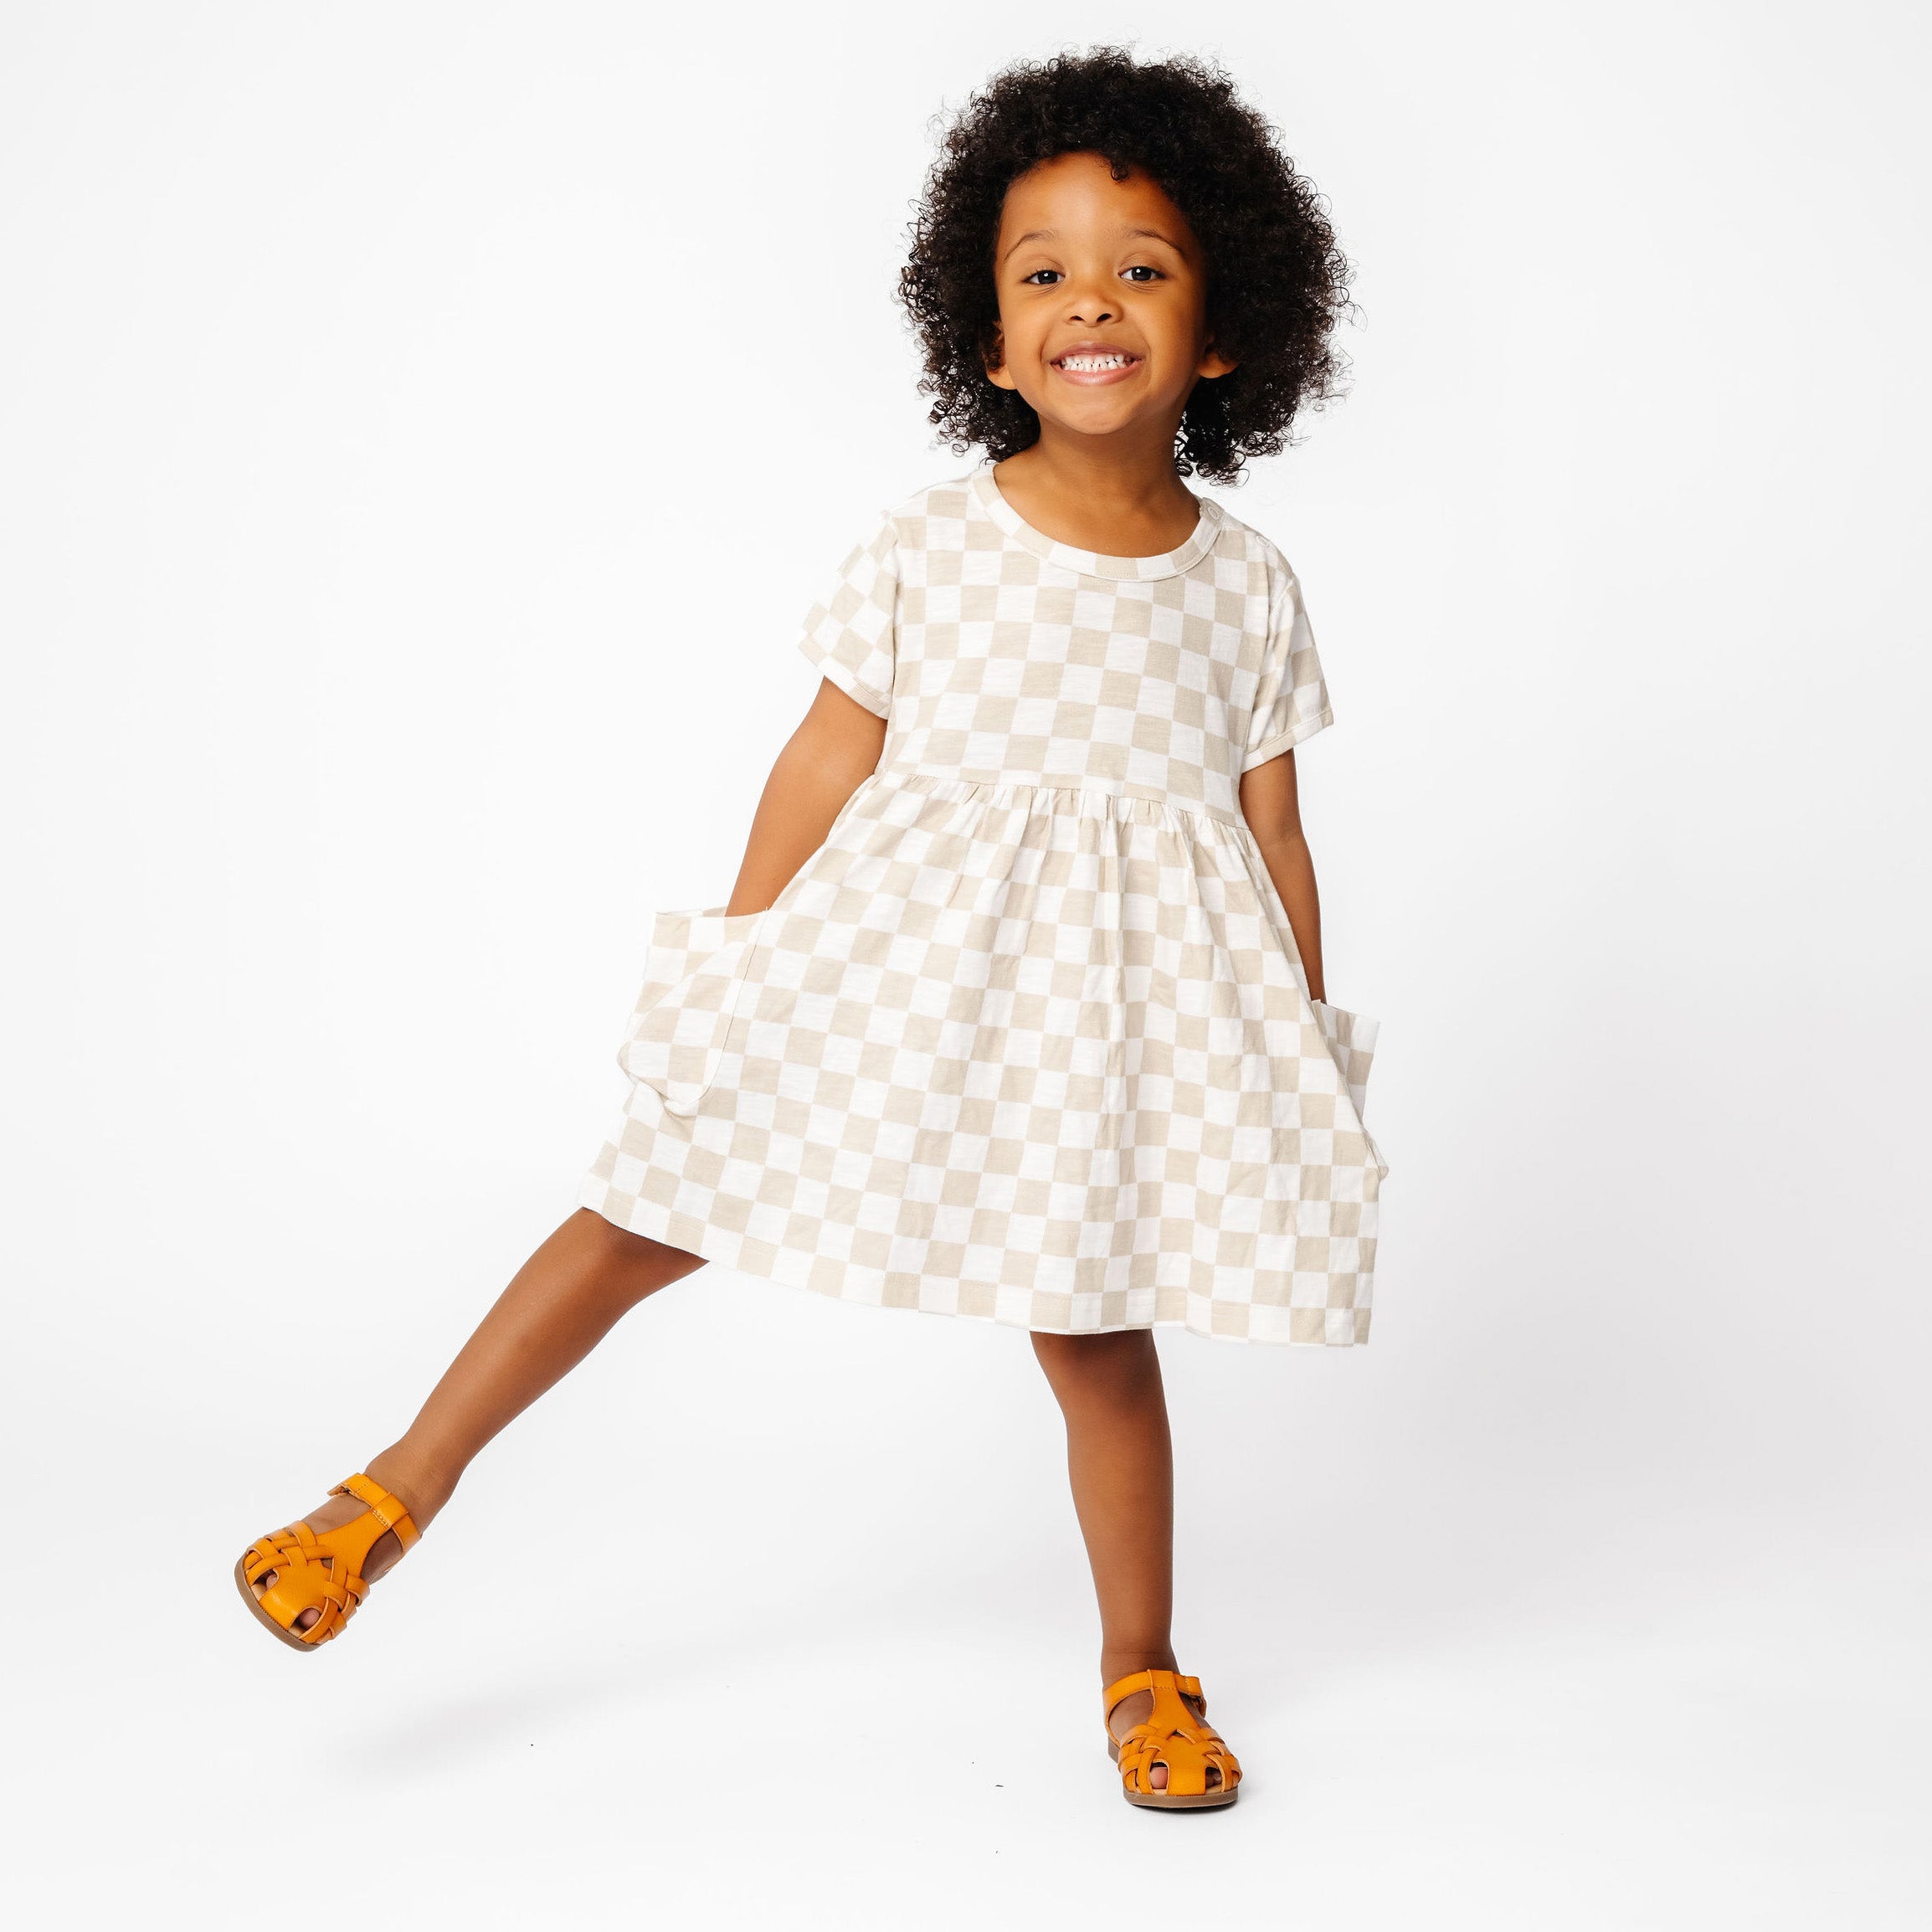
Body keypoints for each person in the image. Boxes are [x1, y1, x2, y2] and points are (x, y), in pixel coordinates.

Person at [235, 46, 1385, 1812]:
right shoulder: (932, 543)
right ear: (988, 341)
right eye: (1045, 272)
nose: (1090, 301)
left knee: (1096, 1334)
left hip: (1099, 1023)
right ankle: (386, 1494)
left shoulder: (1244, 585)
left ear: (1223, 332)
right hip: (895, 966)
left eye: (1141, 268)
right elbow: (825, 755)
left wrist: (1294, 1043)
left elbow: (1273, 831)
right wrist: (748, 955)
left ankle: (1141, 1667)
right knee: (649, 1210)